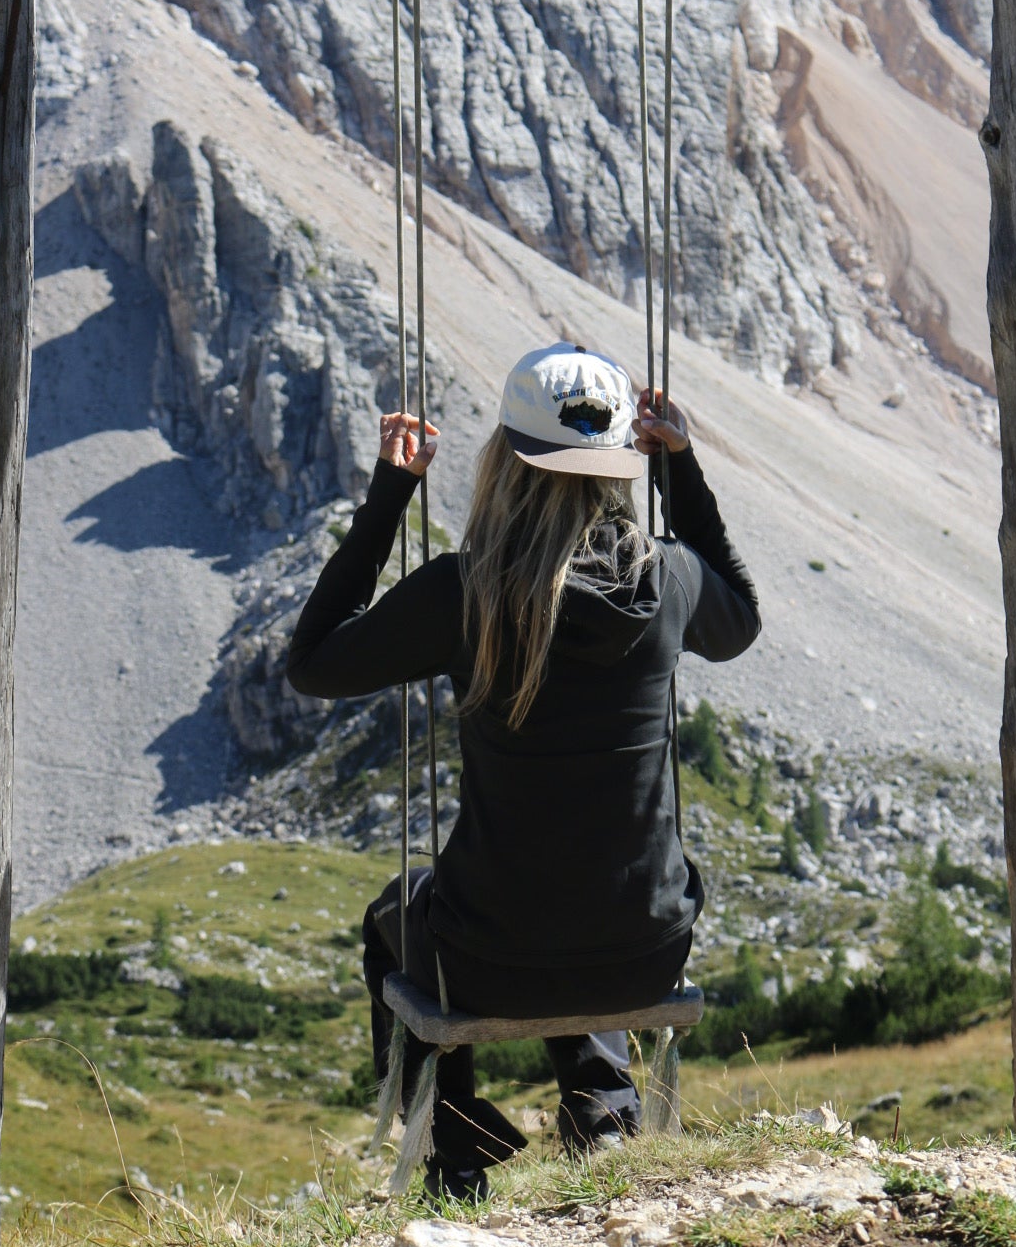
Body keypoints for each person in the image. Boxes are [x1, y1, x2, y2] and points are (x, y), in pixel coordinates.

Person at [287, 342, 760, 1200]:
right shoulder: (671, 580)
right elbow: (742, 620)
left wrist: (390, 493)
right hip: (648, 955)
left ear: (506, 459)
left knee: (396, 914)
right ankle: (602, 1108)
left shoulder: (464, 594)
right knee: (588, 898)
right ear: (620, 464)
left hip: (487, 962)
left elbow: (314, 663)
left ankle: (459, 1149)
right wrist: (682, 473)